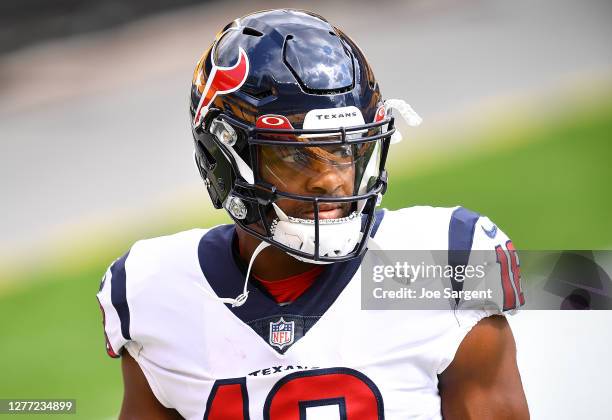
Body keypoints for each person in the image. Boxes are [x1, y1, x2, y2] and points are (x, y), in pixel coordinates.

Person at [97, 9, 529, 419]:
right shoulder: (154, 291)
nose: (332, 180)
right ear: (222, 157)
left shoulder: (443, 265)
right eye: (297, 157)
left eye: (346, 150)